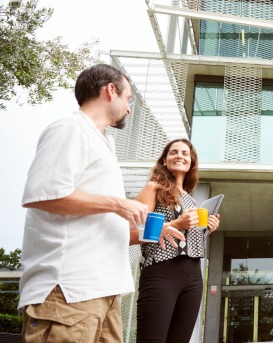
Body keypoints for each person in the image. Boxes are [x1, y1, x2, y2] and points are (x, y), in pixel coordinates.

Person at [18, 63, 160, 342]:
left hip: (104, 292)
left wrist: (146, 231)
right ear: (110, 91)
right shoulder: (70, 129)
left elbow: (97, 222)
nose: (129, 108)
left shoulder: (104, 143)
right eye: (128, 98)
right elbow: (44, 194)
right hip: (69, 290)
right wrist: (120, 204)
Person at [133, 138, 220, 342]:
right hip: (161, 271)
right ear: (164, 160)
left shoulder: (191, 198)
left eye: (185, 153)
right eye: (173, 152)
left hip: (192, 276)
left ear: (191, 163)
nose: (179, 156)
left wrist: (206, 230)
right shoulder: (153, 188)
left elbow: (185, 238)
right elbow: (133, 231)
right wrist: (177, 224)